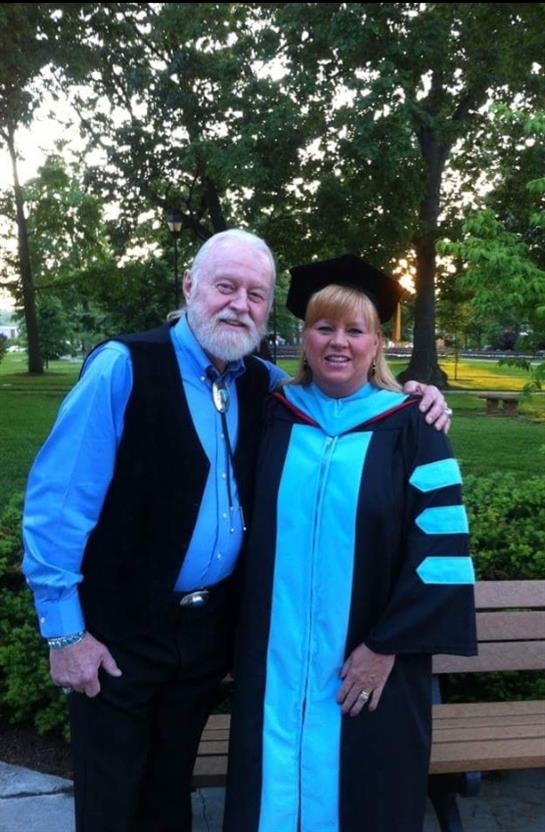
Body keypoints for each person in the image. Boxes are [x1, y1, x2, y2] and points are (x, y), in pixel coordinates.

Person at [22, 232, 450, 832]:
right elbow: (55, 507)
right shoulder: (128, 367)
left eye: (255, 293)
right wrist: (65, 634)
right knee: (112, 800)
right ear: (190, 286)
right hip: (120, 634)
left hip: (204, 640)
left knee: (169, 793)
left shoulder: (267, 389)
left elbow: (350, 398)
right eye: (225, 286)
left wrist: (418, 394)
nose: (239, 304)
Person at [223, 254, 477, 832]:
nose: (339, 343)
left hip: (371, 666)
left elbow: (439, 557)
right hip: (276, 662)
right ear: (304, 337)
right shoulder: (269, 417)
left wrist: (385, 647)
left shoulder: (413, 428)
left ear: (377, 341)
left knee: (365, 799)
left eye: (355, 330)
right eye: (324, 327)